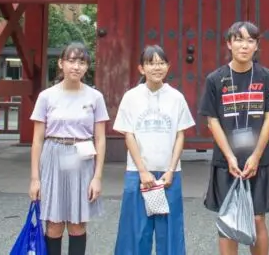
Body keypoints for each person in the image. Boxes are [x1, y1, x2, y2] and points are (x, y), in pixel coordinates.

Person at [199, 21, 269, 255]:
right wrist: (230, 157)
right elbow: (212, 120)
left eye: (250, 41)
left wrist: (256, 156)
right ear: (229, 43)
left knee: (257, 218)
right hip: (226, 161)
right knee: (228, 219)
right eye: (239, 40)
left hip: (258, 159)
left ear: (257, 45)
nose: (244, 46)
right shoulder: (215, 79)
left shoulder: (267, 77)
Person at [113, 45, 195, 255]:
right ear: (141, 68)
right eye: (151, 63)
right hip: (138, 172)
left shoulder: (176, 97)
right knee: (136, 231)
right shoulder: (131, 97)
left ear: (168, 66)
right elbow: (129, 134)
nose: (157, 67)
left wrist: (171, 169)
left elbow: (180, 135)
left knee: (170, 231)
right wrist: (142, 171)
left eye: (161, 63)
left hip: (169, 174)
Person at [29, 42, 108, 255]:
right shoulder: (46, 96)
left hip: (82, 157)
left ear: (87, 66)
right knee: (53, 224)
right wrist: (35, 179)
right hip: (53, 155)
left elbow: (100, 138)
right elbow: (37, 139)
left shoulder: (95, 97)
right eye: (71, 61)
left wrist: (97, 177)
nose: (76, 66)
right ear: (61, 63)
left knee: (77, 223)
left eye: (82, 62)